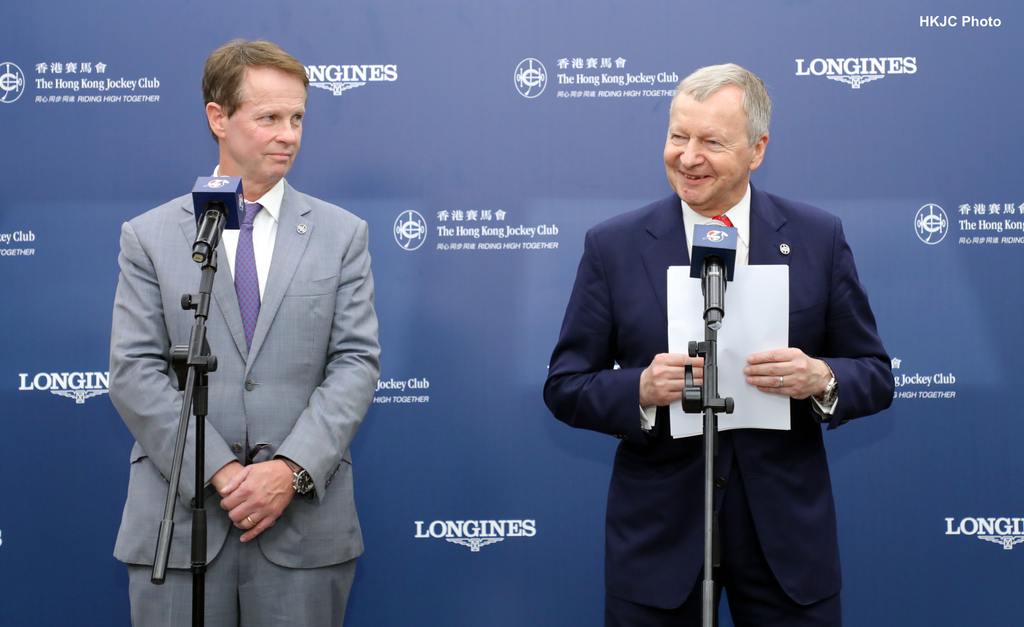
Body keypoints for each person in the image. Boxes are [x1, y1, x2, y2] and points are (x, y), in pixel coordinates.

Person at [543, 63, 894, 626]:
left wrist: (821, 379)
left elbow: (875, 374)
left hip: (786, 543)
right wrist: (640, 388)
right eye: (678, 136)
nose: (687, 157)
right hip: (660, 540)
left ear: (757, 150)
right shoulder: (614, 246)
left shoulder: (815, 238)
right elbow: (565, 385)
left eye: (711, 141)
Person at [109, 39, 380, 626]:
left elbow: (356, 363)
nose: (289, 135)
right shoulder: (150, 236)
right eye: (269, 118)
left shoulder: (343, 234)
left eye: (297, 118)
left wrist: (289, 471)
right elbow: (133, 371)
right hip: (180, 530)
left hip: (304, 533)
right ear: (218, 118)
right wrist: (222, 473)